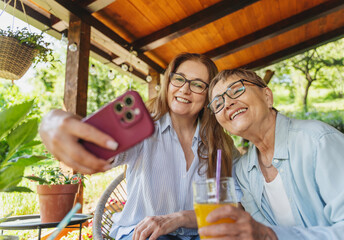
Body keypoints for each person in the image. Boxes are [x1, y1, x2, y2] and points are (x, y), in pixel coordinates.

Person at [39, 53, 238, 240]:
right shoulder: (141, 129)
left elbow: (234, 205)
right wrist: (52, 124)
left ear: (208, 96)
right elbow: (92, 148)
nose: (185, 89)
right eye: (179, 79)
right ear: (168, 83)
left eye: (197, 84)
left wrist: (181, 218)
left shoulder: (220, 143)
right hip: (141, 234)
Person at [199, 68, 344, 239]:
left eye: (237, 90)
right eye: (217, 103)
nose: (227, 103)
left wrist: (269, 235)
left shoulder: (319, 142)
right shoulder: (244, 172)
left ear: (267, 96)